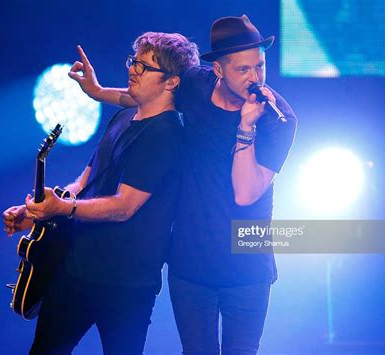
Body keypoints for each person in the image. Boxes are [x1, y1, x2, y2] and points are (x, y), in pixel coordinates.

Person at [70, 15, 297, 355]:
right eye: (243, 70)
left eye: (259, 67)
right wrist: (99, 92)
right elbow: (147, 96)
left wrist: (247, 126)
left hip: (247, 267)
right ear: (218, 70)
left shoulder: (279, 119)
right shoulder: (193, 84)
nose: (256, 79)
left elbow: (245, 192)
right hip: (191, 265)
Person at [3, 32, 199, 354]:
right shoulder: (123, 116)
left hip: (126, 286)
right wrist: (38, 211)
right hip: (76, 269)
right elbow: (83, 184)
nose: (133, 70)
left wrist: (60, 209)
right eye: (134, 62)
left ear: (171, 82)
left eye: (144, 67)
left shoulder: (165, 135)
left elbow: (124, 206)